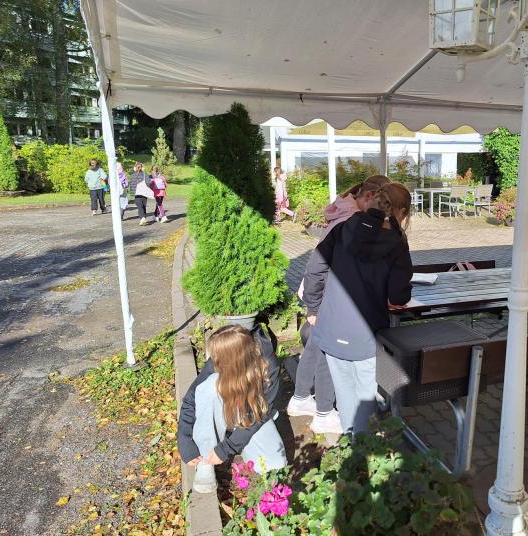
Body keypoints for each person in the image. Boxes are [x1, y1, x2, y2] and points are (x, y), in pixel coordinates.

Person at [301, 183, 413, 434]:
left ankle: (351, 442)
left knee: (345, 396)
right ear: (401, 212)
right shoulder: (397, 242)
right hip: (366, 335)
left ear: (373, 199)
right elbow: (399, 295)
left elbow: (314, 270)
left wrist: (313, 308)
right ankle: (360, 448)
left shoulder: (342, 228)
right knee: (365, 399)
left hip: (331, 329)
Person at [288, 175, 391, 435]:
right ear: (369, 196)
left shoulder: (344, 211)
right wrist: (314, 306)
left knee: (317, 347)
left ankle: (301, 398)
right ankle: (323, 412)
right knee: (327, 351)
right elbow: (322, 265)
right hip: (326, 295)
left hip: (323, 293)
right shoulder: (351, 220)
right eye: (381, 203)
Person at [177, 324, 286, 494]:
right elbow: (191, 400)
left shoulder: (267, 366)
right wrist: (184, 439)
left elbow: (260, 415)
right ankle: (206, 460)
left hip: (251, 417)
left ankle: (232, 439)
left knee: (275, 464)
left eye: (215, 355)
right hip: (223, 408)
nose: (213, 359)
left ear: (233, 358)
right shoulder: (219, 359)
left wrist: (226, 448)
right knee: (209, 388)